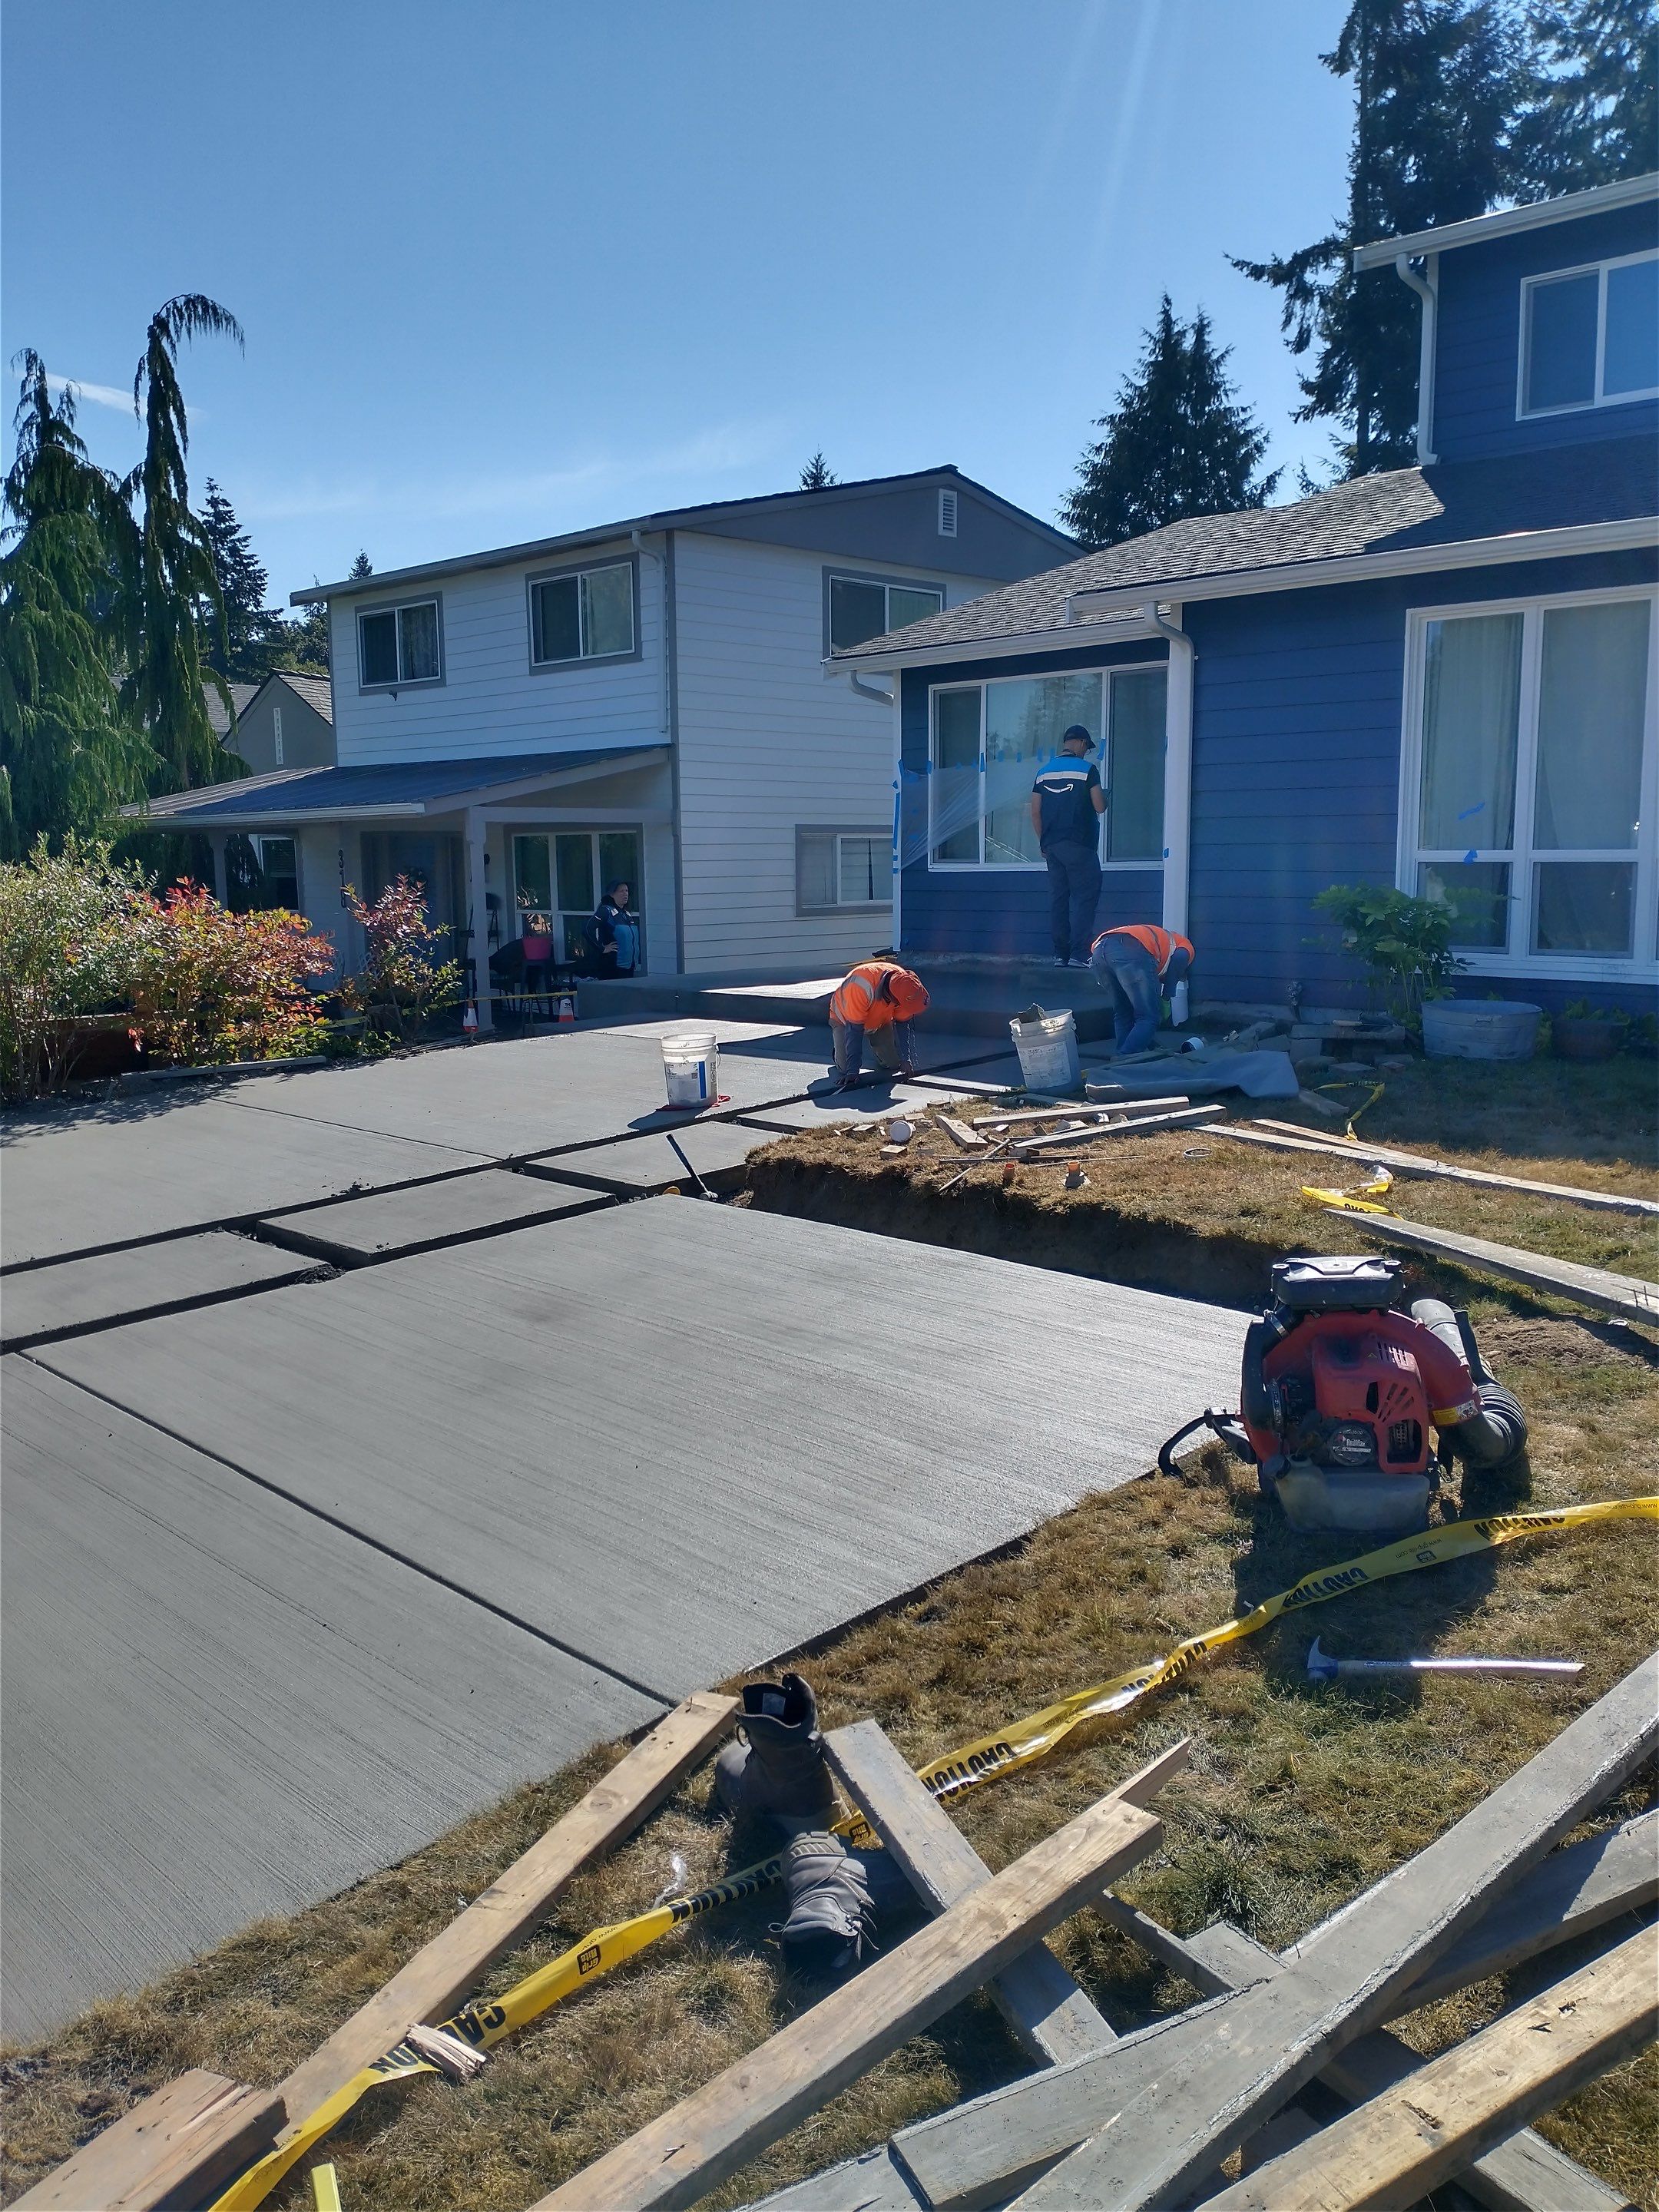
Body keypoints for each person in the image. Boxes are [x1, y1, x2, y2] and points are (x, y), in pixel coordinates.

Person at [1029, 724, 1105, 966]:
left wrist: (1044, 842)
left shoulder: (1043, 772)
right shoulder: (1087, 770)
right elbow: (1099, 806)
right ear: (1082, 743)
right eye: (1087, 748)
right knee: (1085, 897)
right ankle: (1079, 953)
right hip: (1080, 844)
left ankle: (1060, 954)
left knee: (1059, 899)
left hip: (1052, 846)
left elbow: (1035, 811)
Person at [1089, 923, 1194, 1055]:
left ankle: (1122, 1060)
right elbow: (1179, 959)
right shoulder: (1185, 946)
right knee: (1149, 1017)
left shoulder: (1160, 942)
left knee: (1124, 1012)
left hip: (1099, 952)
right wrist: (1166, 998)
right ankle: (1125, 1058)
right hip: (1131, 950)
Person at [827, 957, 929, 1089]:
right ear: (893, 997)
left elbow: (903, 1025)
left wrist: (906, 1059)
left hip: (878, 1021)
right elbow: (854, 1030)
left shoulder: (906, 985)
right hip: (846, 1021)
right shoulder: (860, 985)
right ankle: (838, 1053)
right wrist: (853, 1071)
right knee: (845, 1069)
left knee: (893, 1065)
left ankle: (878, 1048)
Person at [590, 880, 639, 978]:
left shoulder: (626, 914)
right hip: (613, 967)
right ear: (612, 894)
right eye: (621, 891)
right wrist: (602, 948)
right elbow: (587, 930)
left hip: (629, 967)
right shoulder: (606, 911)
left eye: (627, 891)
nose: (625, 893)